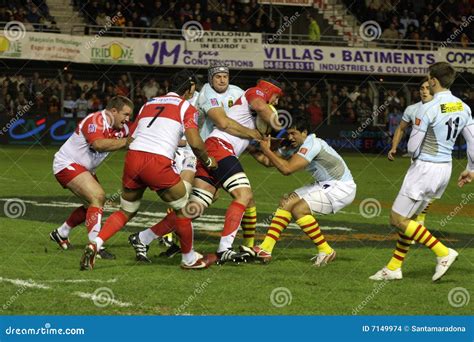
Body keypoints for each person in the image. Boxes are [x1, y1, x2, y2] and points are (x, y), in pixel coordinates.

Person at [131, 78, 282, 265]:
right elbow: (261, 106)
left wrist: (271, 146)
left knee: (194, 208)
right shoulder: (255, 93)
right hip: (220, 148)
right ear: (269, 90)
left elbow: (265, 159)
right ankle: (224, 249)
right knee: (243, 195)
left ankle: (143, 237)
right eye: (276, 97)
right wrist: (282, 129)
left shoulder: (249, 119)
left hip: (216, 149)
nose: (276, 102)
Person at [79, 70, 217, 270]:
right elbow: (195, 142)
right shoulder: (186, 107)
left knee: (126, 211)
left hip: (134, 158)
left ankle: (95, 244)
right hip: (157, 161)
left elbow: (132, 138)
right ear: (191, 89)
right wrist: (208, 160)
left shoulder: (149, 103)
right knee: (184, 210)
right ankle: (189, 259)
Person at [370, 62, 473, 282]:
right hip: (445, 168)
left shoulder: (427, 108)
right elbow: (472, 141)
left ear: (433, 80)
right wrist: (471, 169)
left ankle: (443, 253)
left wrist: (412, 152)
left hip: (425, 167)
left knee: (396, 218)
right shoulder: (463, 107)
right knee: (411, 219)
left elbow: (412, 147)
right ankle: (394, 267)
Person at [246, 120, 356, 266]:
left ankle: (326, 250)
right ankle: (265, 249)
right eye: (288, 133)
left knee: (299, 210)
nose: (290, 137)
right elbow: (268, 162)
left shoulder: (312, 143)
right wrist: (249, 147)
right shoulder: (293, 146)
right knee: (286, 203)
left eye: (294, 133)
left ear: (304, 133)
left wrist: (267, 150)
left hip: (341, 188)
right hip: (325, 185)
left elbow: (287, 169)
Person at [49, 96, 133, 259]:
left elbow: (138, 139)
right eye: (125, 114)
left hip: (84, 168)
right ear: (113, 111)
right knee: (98, 196)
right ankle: (95, 245)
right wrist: (126, 142)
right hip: (66, 164)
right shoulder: (96, 120)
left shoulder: (123, 129)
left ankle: (61, 232)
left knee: (93, 205)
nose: (127, 119)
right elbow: (98, 144)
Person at [387, 78, 434, 228]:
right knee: (416, 192)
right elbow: (401, 128)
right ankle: (415, 222)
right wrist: (394, 147)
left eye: (427, 88)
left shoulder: (442, 108)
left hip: (437, 159)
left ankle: (417, 221)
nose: (424, 91)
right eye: (421, 88)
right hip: (418, 159)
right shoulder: (412, 109)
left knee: (427, 194)